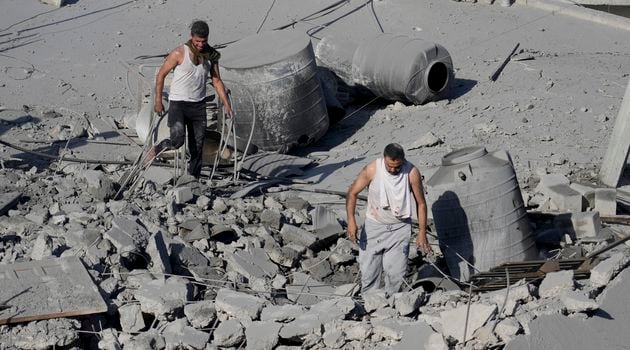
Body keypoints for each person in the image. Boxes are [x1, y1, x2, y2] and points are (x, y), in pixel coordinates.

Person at [149, 20, 233, 177]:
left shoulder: (212, 56)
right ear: (191, 37)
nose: (200, 44)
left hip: (198, 106)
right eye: (197, 41)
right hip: (178, 104)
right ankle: (158, 148)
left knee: (197, 147)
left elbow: (216, 80)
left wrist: (227, 105)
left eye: (204, 41)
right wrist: (158, 101)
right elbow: (161, 75)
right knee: (177, 140)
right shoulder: (179, 53)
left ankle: (193, 180)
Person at [346, 143, 432, 296]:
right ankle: (369, 304)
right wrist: (351, 220)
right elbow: (352, 193)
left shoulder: (411, 173)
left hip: (400, 228)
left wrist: (422, 232)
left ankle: (392, 306)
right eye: (389, 166)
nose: (393, 170)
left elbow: (421, 203)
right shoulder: (372, 169)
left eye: (397, 167)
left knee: (395, 274)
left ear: (403, 161)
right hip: (374, 227)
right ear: (383, 159)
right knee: (369, 272)